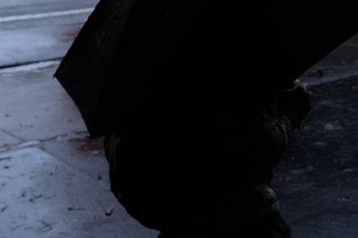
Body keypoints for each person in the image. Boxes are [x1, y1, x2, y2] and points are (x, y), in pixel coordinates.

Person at [104, 81, 311, 237]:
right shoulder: (226, 79)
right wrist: (289, 114)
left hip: (177, 222)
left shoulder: (140, 81)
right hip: (245, 221)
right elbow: (256, 149)